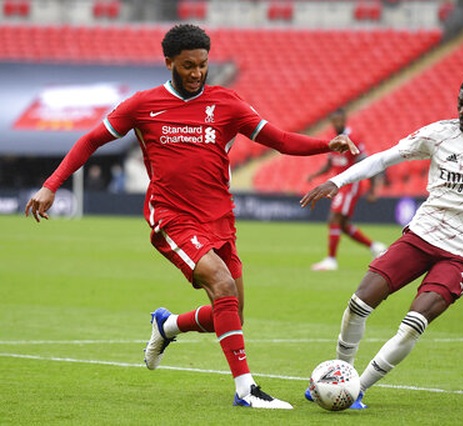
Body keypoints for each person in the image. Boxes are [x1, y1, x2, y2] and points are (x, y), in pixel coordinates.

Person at [24, 24, 359, 410]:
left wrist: (324, 144)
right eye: (188, 66)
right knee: (222, 285)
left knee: (230, 314)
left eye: (202, 64)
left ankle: (167, 326)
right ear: (169, 62)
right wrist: (51, 184)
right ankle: (247, 389)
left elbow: (280, 140)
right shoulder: (143, 105)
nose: (197, 73)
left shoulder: (227, 103)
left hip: (219, 219)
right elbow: (90, 140)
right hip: (171, 216)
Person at [300, 73, 463, 409]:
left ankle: (356, 388)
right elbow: (384, 158)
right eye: (460, 103)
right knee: (359, 303)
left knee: (413, 324)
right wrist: (338, 181)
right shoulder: (440, 133)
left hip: (462, 255)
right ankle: (339, 373)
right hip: (421, 236)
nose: (462, 111)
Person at [307, 108, 386, 271]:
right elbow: (331, 163)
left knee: (334, 219)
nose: (337, 123)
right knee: (342, 224)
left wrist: (372, 188)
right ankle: (375, 247)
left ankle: (331, 260)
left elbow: (366, 162)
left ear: (344, 120)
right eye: (334, 121)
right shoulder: (332, 139)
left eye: (339, 120)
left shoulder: (353, 138)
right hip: (338, 184)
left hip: (350, 184)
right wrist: (315, 175)